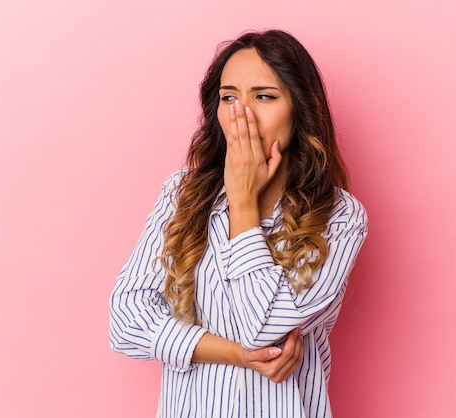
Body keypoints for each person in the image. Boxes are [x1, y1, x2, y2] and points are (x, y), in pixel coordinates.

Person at [109, 29, 368, 417]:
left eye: (264, 96)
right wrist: (234, 354)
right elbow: (125, 320)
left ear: (300, 109)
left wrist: (243, 202)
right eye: (229, 97)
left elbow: (261, 328)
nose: (240, 113)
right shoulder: (183, 193)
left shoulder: (340, 217)